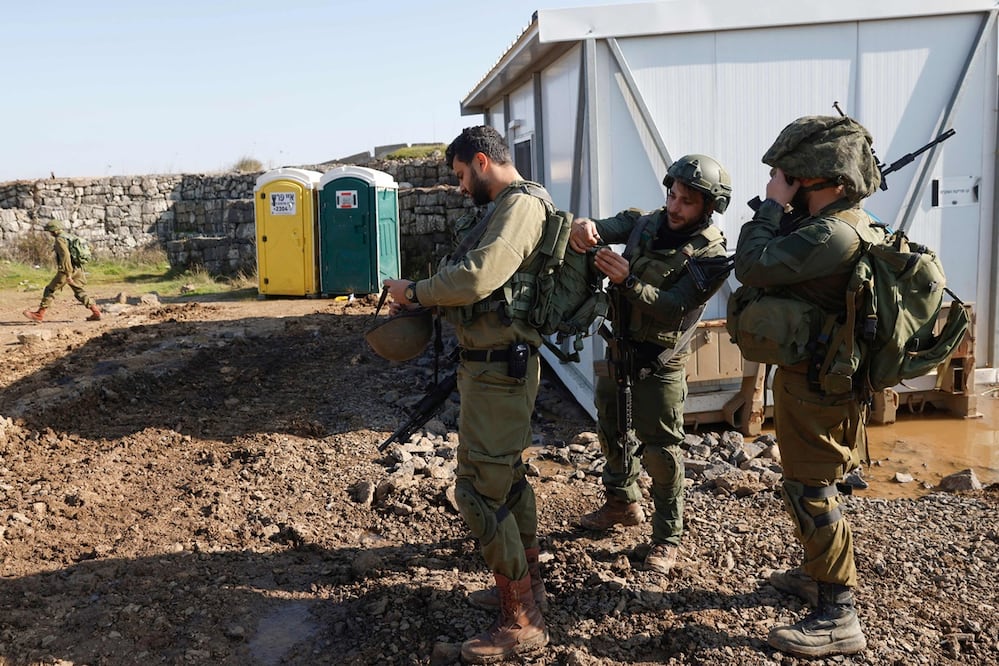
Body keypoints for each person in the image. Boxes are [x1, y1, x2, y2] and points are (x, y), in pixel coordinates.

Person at [383, 125, 550, 664]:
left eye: (459, 176)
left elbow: (479, 277)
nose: (458, 188)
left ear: (482, 162)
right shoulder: (509, 206)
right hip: (492, 370)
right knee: (507, 482)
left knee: (480, 492)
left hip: (501, 373)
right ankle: (525, 590)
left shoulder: (519, 208)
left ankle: (521, 621)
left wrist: (416, 291)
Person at [732, 115, 884, 658]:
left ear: (835, 183)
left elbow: (750, 265)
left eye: (798, 180)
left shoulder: (832, 233)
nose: (787, 184)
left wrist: (772, 206)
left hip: (818, 386)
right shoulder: (849, 224)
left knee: (811, 490)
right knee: (816, 483)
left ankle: (838, 613)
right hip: (824, 377)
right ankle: (815, 575)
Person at [568, 154, 732, 574]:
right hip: (619, 347)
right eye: (673, 195)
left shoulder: (711, 255)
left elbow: (676, 306)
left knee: (661, 450)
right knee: (611, 426)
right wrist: (584, 227)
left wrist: (628, 280)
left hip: (660, 362)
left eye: (687, 202)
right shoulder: (643, 222)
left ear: (708, 208)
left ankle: (666, 538)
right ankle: (622, 502)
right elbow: (598, 229)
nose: (675, 207)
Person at [23, 220, 101, 322]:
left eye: (50, 231)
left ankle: (39, 314)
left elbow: (65, 256)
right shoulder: (70, 236)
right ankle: (96, 312)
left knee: (50, 290)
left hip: (66, 270)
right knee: (79, 291)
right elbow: (89, 247)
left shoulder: (60, 240)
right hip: (77, 268)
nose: (50, 234)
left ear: (53, 231)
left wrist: (68, 274)